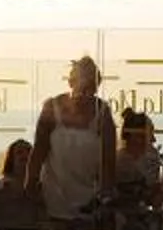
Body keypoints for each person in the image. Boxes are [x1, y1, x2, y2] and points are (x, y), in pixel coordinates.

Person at [32, 57, 116, 219]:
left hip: (90, 198)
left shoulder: (103, 112)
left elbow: (108, 161)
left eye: (91, 86)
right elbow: (38, 151)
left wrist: (105, 197)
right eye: (82, 84)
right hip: (54, 195)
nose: (85, 92)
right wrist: (30, 187)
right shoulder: (52, 107)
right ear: (71, 82)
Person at [114, 108, 163, 192]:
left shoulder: (152, 157)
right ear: (135, 137)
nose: (153, 140)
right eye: (150, 134)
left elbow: (157, 187)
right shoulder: (118, 161)